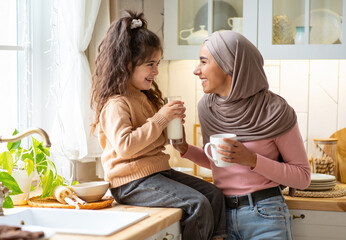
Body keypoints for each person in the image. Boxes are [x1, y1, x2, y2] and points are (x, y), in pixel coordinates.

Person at [90, 10, 227, 240]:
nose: (155, 71)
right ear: (126, 64)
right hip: (131, 183)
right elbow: (126, 146)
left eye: (158, 63)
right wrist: (161, 118)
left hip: (157, 174)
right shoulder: (116, 104)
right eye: (150, 64)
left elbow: (159, 141)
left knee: (214, 194)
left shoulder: (144, 97)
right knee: (198, 204)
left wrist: (173, 127)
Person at [173, 30, 311, 240]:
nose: (196, 70)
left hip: (266, 215)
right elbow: (218, 162)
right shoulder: (207, 107)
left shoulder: (274, 110)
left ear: (229, 63)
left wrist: (252, 160)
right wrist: (184, 148)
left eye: (203, 62)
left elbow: (302, 177)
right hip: (220, 216)